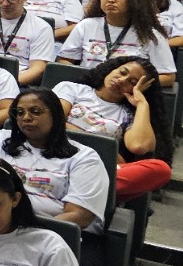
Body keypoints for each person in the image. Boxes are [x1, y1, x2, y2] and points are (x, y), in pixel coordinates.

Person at [0, 88, 108, 235]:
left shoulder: (84, 157)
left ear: (55, 115)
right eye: (20, 112)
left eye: (35, 111)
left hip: (51, 234)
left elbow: (79, 216)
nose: (26, 118)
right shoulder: (1, 140)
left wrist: (25, 233)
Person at [56, 57, 174, 201]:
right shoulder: (72, 89)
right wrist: (105, 149)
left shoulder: (128, 115)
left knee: (160, 169)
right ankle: (86, 189)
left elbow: (139, 146)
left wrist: (142, 104)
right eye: (122, 72)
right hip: (60, 155)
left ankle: (77, 186)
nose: (122, 80)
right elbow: (53, 122)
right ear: (111, 68)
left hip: (95, 168)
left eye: (132, 82)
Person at [58, 0, 176, 85]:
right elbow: (63, 61)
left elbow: (168, 77)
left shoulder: (151, 34)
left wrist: (131, 85)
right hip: (88, 88)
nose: (110, 0)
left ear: (133, 0)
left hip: (126, 94)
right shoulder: (86, 25)